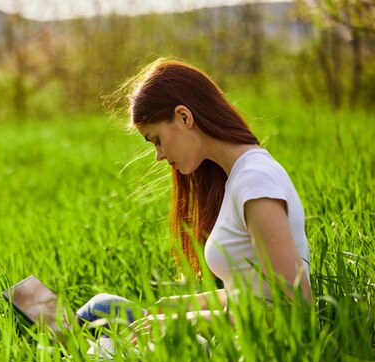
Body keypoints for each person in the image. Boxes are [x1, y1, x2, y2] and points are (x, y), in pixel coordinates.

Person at [76, 58, 312, 335]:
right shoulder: (238, 176)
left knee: (93, 356)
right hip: (228, 335)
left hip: (239, 355)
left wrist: (181, 324)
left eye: (157, 140)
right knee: (102, 307)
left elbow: (292, 306)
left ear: (184, 117)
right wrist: (183, 305)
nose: (158, 155)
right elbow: (249, 292)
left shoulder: (255, 182)